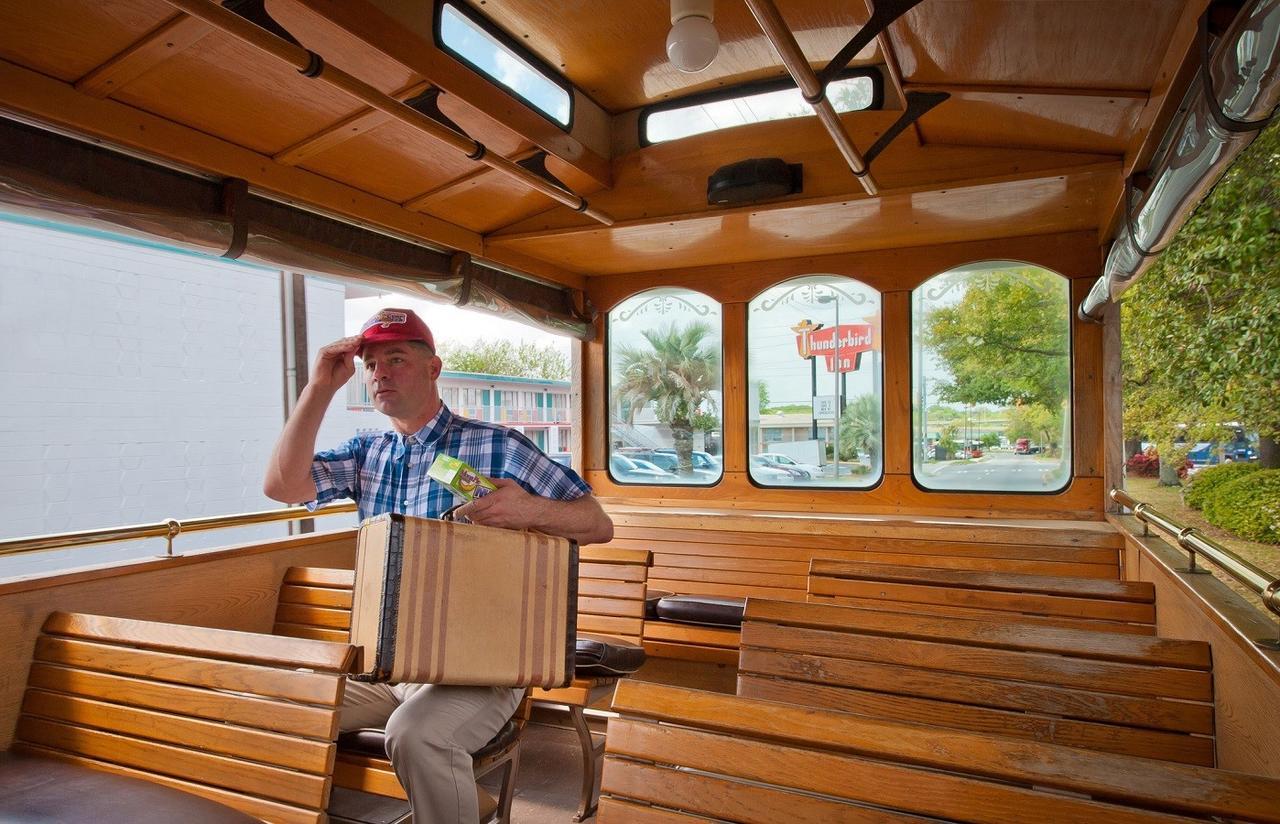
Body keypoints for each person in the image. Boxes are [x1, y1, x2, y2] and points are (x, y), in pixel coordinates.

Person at [263, 307, 613, 823]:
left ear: (433, 369)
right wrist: (319, 388)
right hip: (385, 661)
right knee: (283, 698)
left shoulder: (499, 447)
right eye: (372, 364)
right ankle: (466, 806)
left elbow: (597, 524)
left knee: (416, 733)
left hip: (475, 667)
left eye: (397, 358)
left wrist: (528, 509)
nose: (380, 372)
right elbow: (283, 487)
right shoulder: (368, 453)